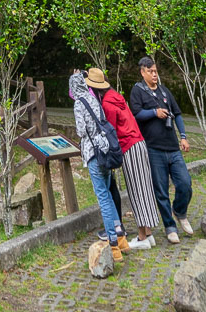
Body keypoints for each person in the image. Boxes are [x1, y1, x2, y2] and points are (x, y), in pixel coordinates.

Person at [85, 67, 159, 250]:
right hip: (139, 143)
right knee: (144, 189)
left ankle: (142, 237)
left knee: (136, 191)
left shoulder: (107, 105)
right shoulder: (117, 97)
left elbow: (109, 132)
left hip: (128, 146)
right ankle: (148, 233)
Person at [128, 56, 193, 244]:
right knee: (161, 190)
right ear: (142, 72)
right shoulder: (137, 91)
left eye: (156, 71)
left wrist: (183, 136)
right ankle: (170, 226)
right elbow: (136, 114)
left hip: (172, 147)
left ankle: (180, 211)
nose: (154, 75)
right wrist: (154, 113)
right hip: (154, 148)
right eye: (150, 71)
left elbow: (177, 114)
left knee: (185, 183)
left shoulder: (164, 91)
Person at [69, 70, 129, 260]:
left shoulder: (79, 103)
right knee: (109, 196)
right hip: (105, 150)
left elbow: (81, 130)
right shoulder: (93, 98)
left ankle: (112, 245)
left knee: (102, 196)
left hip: (93, 153)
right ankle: (121, 238)